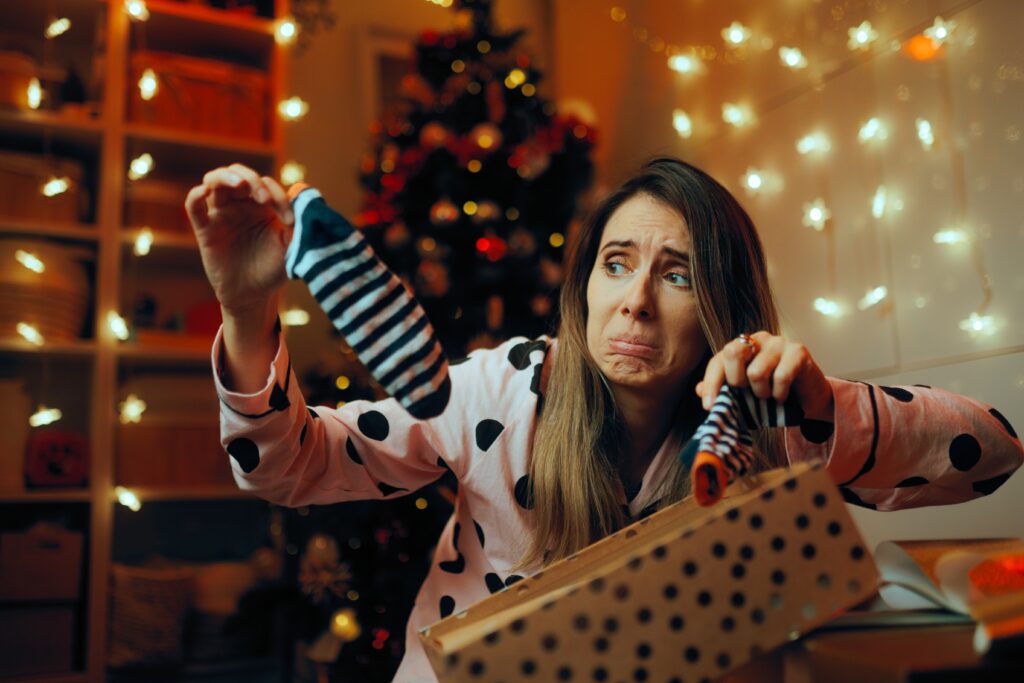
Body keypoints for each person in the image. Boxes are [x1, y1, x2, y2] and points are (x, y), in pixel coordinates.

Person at [186, 157, 1023, 682]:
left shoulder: (767, 420)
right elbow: (285, 465)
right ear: (584, 286)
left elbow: (994, 452)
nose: (634, 301)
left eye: (678, 274)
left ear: (724, 306)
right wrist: (247, 311)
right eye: (616, 264)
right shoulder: (493, 393)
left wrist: (823, 408)